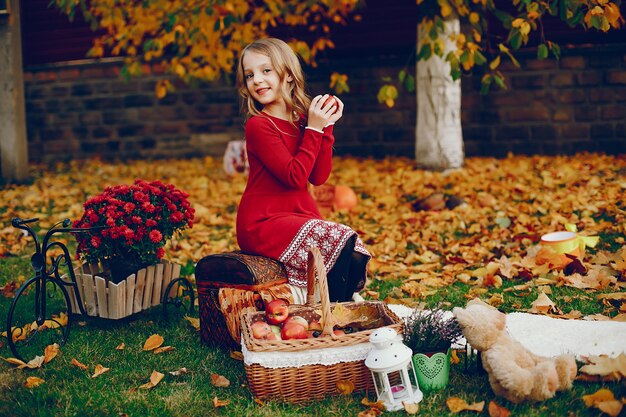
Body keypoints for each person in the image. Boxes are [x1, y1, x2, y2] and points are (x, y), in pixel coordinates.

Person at [235, 38, 370, 302]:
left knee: (352, 248)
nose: (257, 81)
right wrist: (315, 129)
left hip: (298, 214)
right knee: (338, 238)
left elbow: (317, 176)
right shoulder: (259, 126)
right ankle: (333, 313)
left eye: (266, 71)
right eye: (249, 75)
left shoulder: (303, 123)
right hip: (263, 222)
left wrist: (325, 125)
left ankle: (337, 310)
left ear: (287, 75)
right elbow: (294, 177)